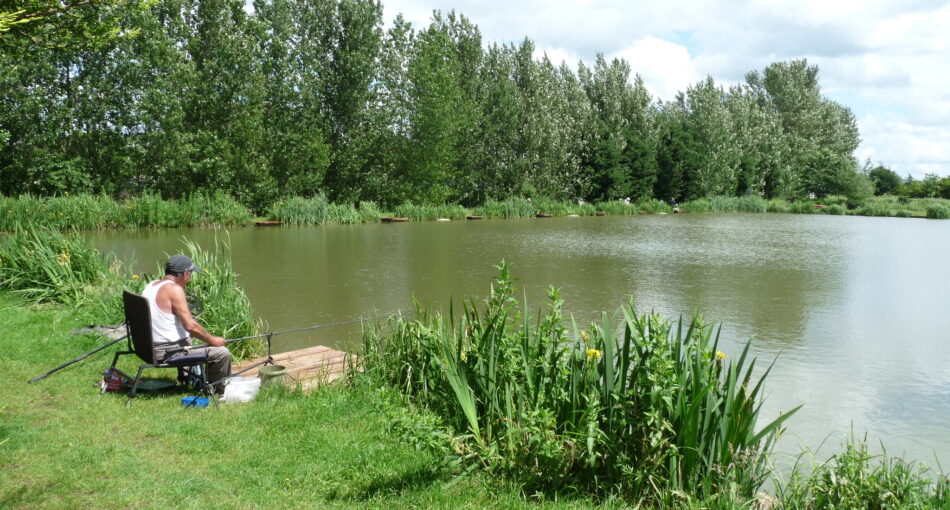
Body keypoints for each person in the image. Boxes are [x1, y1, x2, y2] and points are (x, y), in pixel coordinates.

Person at [141, 254, 231, 393]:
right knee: (221, 353)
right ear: (185, 274)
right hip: (167, 353)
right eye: (191, 273)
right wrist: (213, 340)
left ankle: (188, 378)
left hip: (148, 348)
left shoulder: (151, 285)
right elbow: (190, 326)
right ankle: (216, 391)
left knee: (192, 338)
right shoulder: (175, 289)